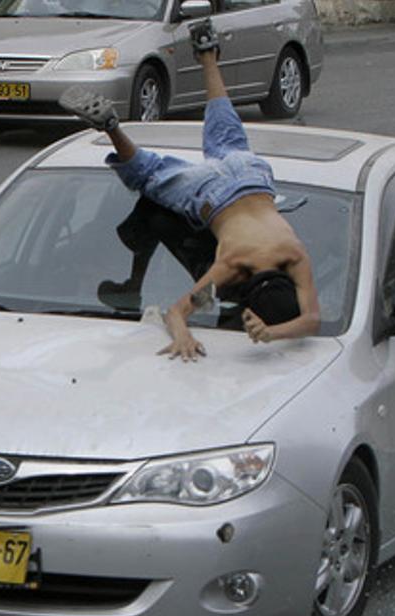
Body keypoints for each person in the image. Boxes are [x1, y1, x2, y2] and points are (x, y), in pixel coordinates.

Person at [59, 19, 319, 361]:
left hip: (253, 177)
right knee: (148, 175)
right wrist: (188, 335)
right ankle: (111, 128)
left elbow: (311, 318)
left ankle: (208, 52)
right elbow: (178, 311)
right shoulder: (233, 265)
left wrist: (274, 328)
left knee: (226, 133)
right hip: (214, 195)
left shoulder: (295, 253)